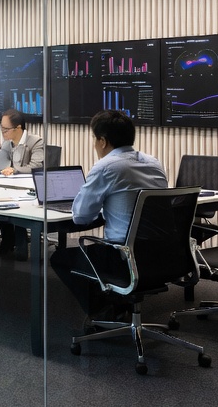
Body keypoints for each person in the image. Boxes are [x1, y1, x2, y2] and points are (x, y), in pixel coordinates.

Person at [49, 109, 167, 320]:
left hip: (123, 257)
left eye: (94, 139)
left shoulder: (106, 166)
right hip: (161, 254)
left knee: (60, 258)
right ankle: (119, 304)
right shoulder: (153, 162)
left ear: (102, 141)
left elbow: (81, 216)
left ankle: (105, 312)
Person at [0, 109, 44, 259]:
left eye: (6, 129)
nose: (3, 132)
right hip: (12, 188)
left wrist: (15, 169)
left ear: (18, 128)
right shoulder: (8, 144)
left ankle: (15, 245)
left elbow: (36, 166)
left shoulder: (36, 141)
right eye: (1, 128)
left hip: (30, 189)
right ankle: (8, 241)